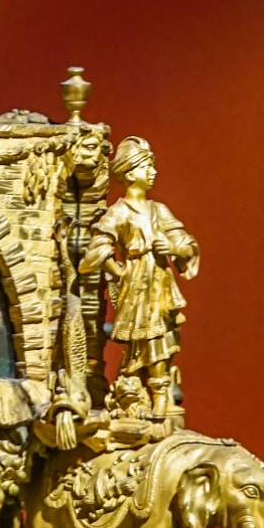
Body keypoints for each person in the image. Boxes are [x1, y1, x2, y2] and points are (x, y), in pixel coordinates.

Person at [79, 135, 199, 423]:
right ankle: (149, 392)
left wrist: (173, 248)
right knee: (146, 339)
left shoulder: (159, 211)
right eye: (147, 167)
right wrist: (119, 272)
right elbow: (97, 248)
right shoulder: (119, 212)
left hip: (160, 283)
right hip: (137, 285)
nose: (154, 172)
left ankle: (158, 393)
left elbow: (186, 243)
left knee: (164, 335)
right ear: (131, 174)